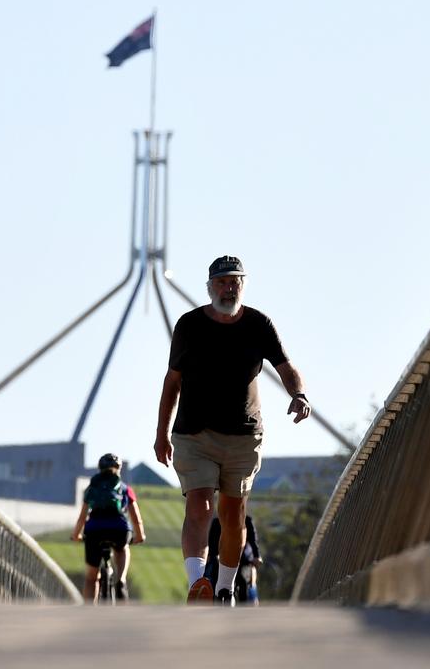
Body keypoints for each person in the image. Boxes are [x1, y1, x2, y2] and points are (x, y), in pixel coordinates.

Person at [154, 255, 310, 606]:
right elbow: (172, 381)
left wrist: (298, 395)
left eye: (234, 282)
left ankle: (224, 587)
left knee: (233, 513)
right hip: (195, 433)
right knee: (199, 505)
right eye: (221, 282)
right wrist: (161, 433)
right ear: (209, 287)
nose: (228, 288)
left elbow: (286, 367)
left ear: (243, 284)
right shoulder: (189, 326)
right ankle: (198, 586)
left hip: (243, 434)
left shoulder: (258, 324)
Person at [71, 452, 146, 602]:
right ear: (118, 469)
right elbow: (136, 518)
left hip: (94, 531)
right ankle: (121, 580)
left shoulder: (92, 488)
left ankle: (89, 610)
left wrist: (76, 535)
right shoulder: (125, 489)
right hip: (119, 529)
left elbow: (81, 517)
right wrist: (140, 536)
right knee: (122, 547)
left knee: (92, 578)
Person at [205, 514, 263, 605]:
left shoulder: (247, 520)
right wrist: (211, 556)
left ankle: (245, 601)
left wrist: (257, 556)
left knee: (244, 581)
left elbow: (253, 541)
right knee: (213, 576)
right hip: (220, 558)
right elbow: (212, 544)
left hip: (242, 558)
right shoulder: (217, 522)